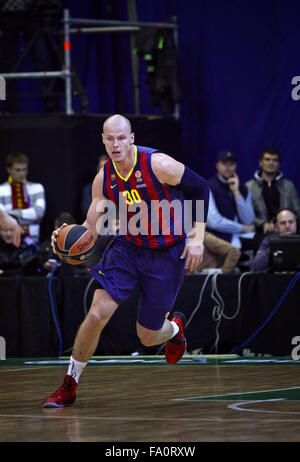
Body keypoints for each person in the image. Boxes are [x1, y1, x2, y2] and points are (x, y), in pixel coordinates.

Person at [42, 114, 210, 407]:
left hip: (166, 253)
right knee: (96, 314)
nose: (116, 144)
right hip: (128, 248)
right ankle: (69, 383)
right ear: (103, 140)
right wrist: (66, 239)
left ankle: (174, 330)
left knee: (147, 337)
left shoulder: (158, 164)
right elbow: (91, 227)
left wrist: (196, 238)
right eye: (110, 138)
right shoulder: (103, 178)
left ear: (131, 138)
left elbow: (200, 189)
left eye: (121, 138)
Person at [0, 0, 61, 113]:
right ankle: (9, 107)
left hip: (32, 13)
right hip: (8, 13)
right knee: (8, 64)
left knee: (43, 61)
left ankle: (51, 105)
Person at [246, 148, 300, 238]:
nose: (271, 163)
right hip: (260, 232)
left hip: (287, 232)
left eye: (275, 160)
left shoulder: (288, 185)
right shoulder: (249, 187)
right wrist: (263, 224)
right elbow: (246, 215)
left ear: (279, 164)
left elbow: (297, 211)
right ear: (260, 162)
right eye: (267, 159)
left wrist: (285, 224)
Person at [206, 151, 255, 249]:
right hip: (218, 236)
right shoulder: (208, 186)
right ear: (217, 165)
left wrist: (236, 192)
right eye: (224, 164)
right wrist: (242, 228)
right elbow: (213, 222)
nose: (228, 167)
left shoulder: (243, 188)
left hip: (242, 236)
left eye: (231, 164)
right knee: (235, 247)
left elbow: (249, 220)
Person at [0, 152, 46, 243]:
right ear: (9, 169)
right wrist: (29, 216)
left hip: (33, 242)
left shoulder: (37, 188)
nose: (22, 174)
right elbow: (1, 219)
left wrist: (8, 215)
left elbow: (39, 213)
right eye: (18, 170)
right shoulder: (1, 190)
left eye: (24, 170)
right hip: (7, 242)